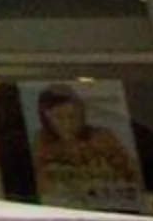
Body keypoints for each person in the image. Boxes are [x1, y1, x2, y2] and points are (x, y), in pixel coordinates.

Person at [32, 83, 143, 211]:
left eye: (72, 117)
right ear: (47, 118)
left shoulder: (103, 137)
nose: (67, 124)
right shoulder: (41, 144)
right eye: (59, 118)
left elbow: (132, 174)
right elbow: (43, 186)